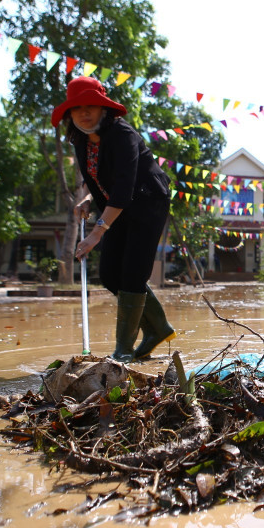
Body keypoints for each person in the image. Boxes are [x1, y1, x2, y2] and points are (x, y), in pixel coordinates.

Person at [51, 76, 176, 362]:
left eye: (91, 106)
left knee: (132, 273)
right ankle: (158, 329)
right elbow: (95, 176)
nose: (84, 113)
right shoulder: (80, 140)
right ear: (70, 114)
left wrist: (96, 233)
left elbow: (123, 186)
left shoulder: (122, 134)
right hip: (116, 208)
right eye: (77, 107)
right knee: (109, 274)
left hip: (147, 202)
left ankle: (123, 351)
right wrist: (87, 197)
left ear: (103, 109)